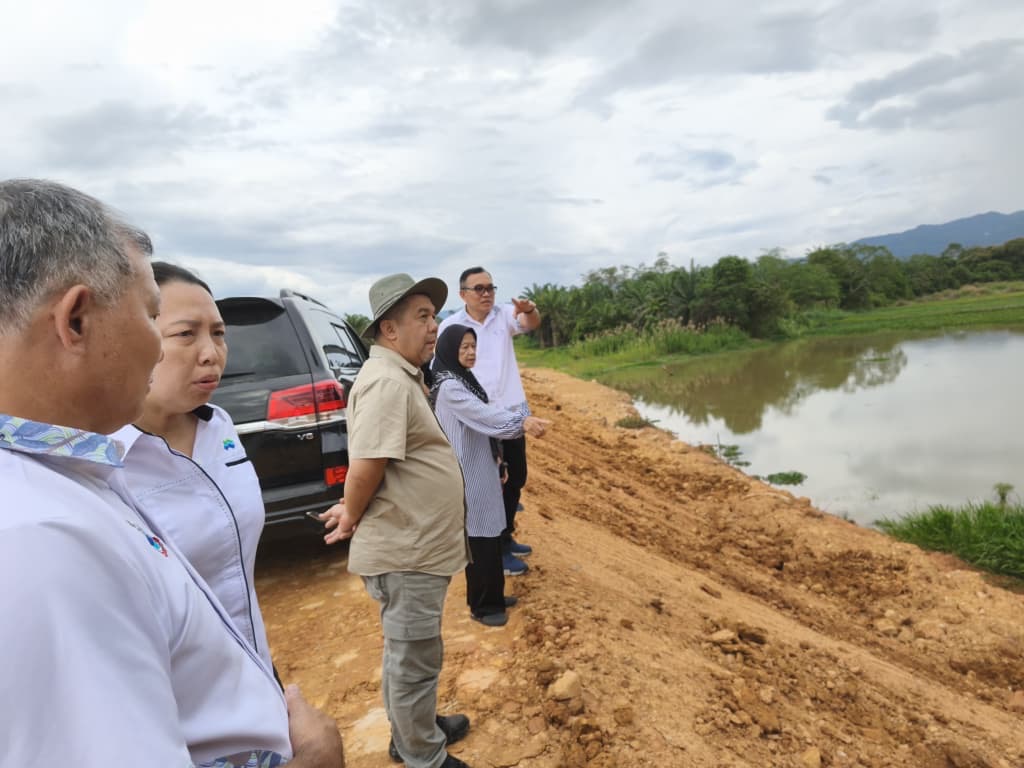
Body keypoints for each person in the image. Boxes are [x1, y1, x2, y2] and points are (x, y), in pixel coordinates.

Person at [0, 179, 344, 767]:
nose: (167, 350)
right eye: (154, 317)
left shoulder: (73, 474)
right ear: (76, 320)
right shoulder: (40, 538)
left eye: (218, 335)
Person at [318, 274, 472, 768]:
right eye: (422, 317)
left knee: (410, 654)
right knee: (413, 661)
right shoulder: (386, 381)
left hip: (416, 547)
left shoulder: (399, 375)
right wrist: (352, 512)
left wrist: (350, 507)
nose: (434, 327)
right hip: (407, 552)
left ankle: (413, 730)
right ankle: (422, 754)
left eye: (434, 315)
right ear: (389, 329)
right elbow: (367, 465)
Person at [111, 262, 275, 673]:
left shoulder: (218, 424)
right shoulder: (103, 463)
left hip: (254, 666)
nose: (211, 353)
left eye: (218, 333)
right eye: (186, 334)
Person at [429, 324, 549, 626]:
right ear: (448, 350)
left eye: (473, 346)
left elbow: (484, 424)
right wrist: (522, 422)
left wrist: (500, 461)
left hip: (482, 466)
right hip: (467, 470)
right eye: (463, 347)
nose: (470, 353)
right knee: (480, 537)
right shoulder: (449, 387)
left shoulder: (462, 379)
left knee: (490, 532)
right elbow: (484, 416)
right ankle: (483, 606)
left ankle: (493, 595)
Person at [438, 268, 541, 576]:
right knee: (490, 484)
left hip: (511, 412)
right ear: (463, 294)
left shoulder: (504, 316)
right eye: (479, 288)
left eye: (490, 288)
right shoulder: (452, 325)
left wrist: (530, 310)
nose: (486, 294)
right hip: (478, 418)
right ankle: (494, 549)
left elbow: (530, 324)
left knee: (516, 477)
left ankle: (506, 536)